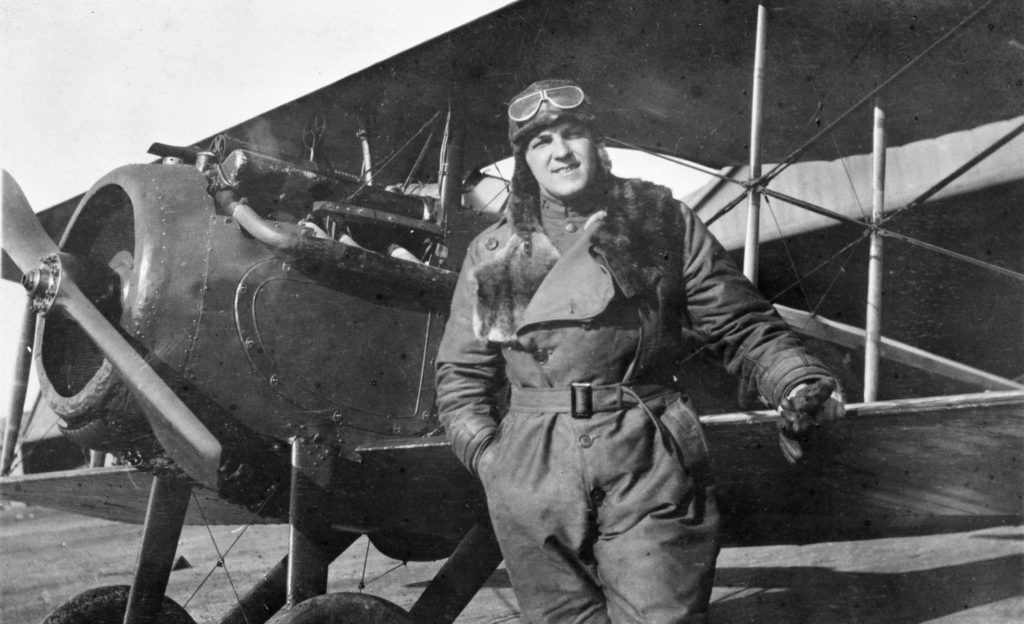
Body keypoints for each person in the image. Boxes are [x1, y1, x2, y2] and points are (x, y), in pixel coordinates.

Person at [434, 79, 844, 624]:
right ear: (523, 161)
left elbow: (739, 322)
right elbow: (461, 376)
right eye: (540, 143)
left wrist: (793, 380)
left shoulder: (659, 221)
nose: (560, 152)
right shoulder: (497, 254)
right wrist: (492, 462)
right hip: (532, 473)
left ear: (595, 142)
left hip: (644, 453)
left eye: (572, 134)